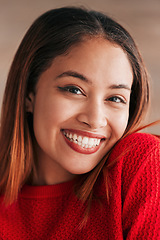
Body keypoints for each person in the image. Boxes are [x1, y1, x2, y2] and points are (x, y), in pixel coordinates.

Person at [0, 6, 159, 240]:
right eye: (74, 90)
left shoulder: (141, 163)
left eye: (115, 98)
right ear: (28, 95)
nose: (95, 119)